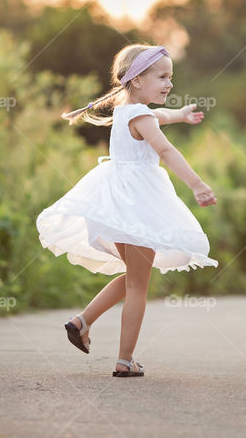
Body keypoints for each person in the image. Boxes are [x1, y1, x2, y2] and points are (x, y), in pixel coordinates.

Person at [35, 43, 218, 377]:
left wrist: (179, 115)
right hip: (135, 206)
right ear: (136, 80)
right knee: (138, 285)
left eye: (170, 76)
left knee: (134, 277)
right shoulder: (140, 115)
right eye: (162, 76)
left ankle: (82, 321)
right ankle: (124, 360)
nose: (169, 83)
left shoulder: (127, 111)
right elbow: (164, 149)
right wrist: (197, 185)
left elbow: (159, 117)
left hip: (118, 203)